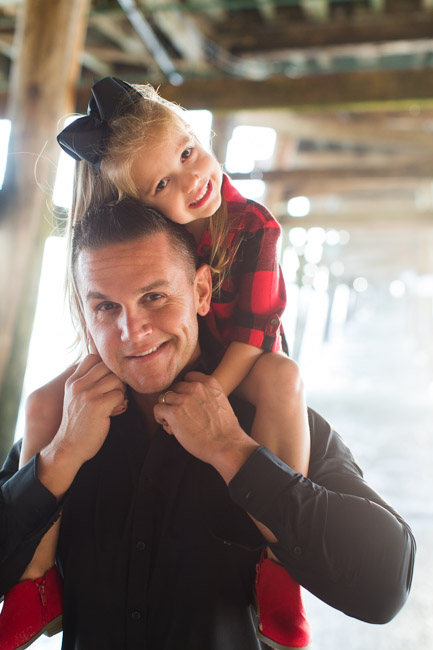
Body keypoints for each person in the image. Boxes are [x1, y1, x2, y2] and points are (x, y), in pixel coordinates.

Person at [0, 201, 415, 650]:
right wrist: (60, 459)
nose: (132, 331)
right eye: (106, 307)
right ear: (86, 314)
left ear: (201, 291)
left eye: (154, 297)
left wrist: (233, 451)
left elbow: (385, 588)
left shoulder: (272, 417)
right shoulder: (64, 430)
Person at [1, 77, 313, 650]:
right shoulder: (154, 233)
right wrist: (63, 453)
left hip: (241, 357)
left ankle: (280, 568)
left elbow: (252, 332)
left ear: (198, 286)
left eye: (189, 153)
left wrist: (210, 406)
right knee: (42, 400)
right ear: (144, 205)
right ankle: (35, 583)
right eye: (165, 182)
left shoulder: (250, 225)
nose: (192, 180)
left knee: (283, 380)